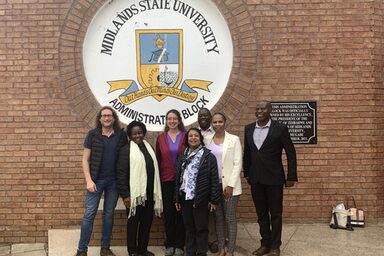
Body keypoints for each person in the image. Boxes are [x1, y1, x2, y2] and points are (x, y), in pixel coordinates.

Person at [243, 101, 297, 256]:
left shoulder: (279, 128)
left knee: (275, 214)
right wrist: (247, 173)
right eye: (257, 108)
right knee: (261, 214)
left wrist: (291, 176)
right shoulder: (248, 129)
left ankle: (275, 246)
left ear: (270, 110)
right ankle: (265, 244)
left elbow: (291, 153)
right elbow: (247, 153)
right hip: (256, 179)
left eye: (263, 108)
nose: (260, 111)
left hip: (275, 179)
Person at [75, 106, 128, 256]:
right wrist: (88, 180)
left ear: (114, 118)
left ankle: (105, 248)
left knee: (108, 214)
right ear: (100, 118)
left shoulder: (121, 136)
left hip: (114, 182)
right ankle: (82, 250)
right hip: (95, 181)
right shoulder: (93, 135)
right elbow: (85, 160)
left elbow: (125, 160)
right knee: (89, 214)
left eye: (109, 116)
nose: (106, 118)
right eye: (103, 116)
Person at [117, 121, 163, 256]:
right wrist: (125, 195)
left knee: (146, 222)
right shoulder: (126, 150)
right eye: (134, 133)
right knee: (133, 223)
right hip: (134, 194)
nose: (138, 135)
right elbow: (121, 173)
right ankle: (132, 250)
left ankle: (143, 249)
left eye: (140, 132)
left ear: (144, 133)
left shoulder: (149, 147)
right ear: (130, 135)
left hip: (149, 193)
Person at [174, 128, 222, 256]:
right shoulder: (182, 155)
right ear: (187, 139)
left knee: (201, 227)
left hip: (201, 197)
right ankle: (190, 251)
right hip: (185, 197)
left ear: (200, 139)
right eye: (190, 136)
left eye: (196, 136)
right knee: (189, 227)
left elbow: (214, 179)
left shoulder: (208, 156)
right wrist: (177, 199)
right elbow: (178, 178)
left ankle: (201, 252)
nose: (193, 138)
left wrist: (214, 199)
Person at [205, 113, 242, 256]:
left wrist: (231, 185)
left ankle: (230, 249)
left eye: (220, 121)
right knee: (218, 218)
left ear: (225, 122)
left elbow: (237, 163)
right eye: (215, 122)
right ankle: (221, 248)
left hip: (229, 187)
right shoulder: (208, 139)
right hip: (214, 186)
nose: (217, 124)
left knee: (230, 218)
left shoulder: (234, 139)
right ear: (211, 124)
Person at [155, 109, 186, 256]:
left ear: (179, 120)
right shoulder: (161, 138)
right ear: (166, 121)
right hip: (166, 180)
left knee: (181, 213)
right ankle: (170, 244)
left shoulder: (186, 136)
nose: (172, 121)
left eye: (174, 118)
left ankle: (180, 244)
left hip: (184, 181)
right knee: (169, 213)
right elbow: (158, 159)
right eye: (169, 119)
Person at [197, 107, 218, 253]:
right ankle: (199, 241)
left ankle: (213, 240)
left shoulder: (216, 133)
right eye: (200, 116)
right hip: (198, 176)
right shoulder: (193, 133)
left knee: (211, 209)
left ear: (210, 117)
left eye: (205, 115)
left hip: (213, 173)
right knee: (198, 210)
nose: (203, 117)